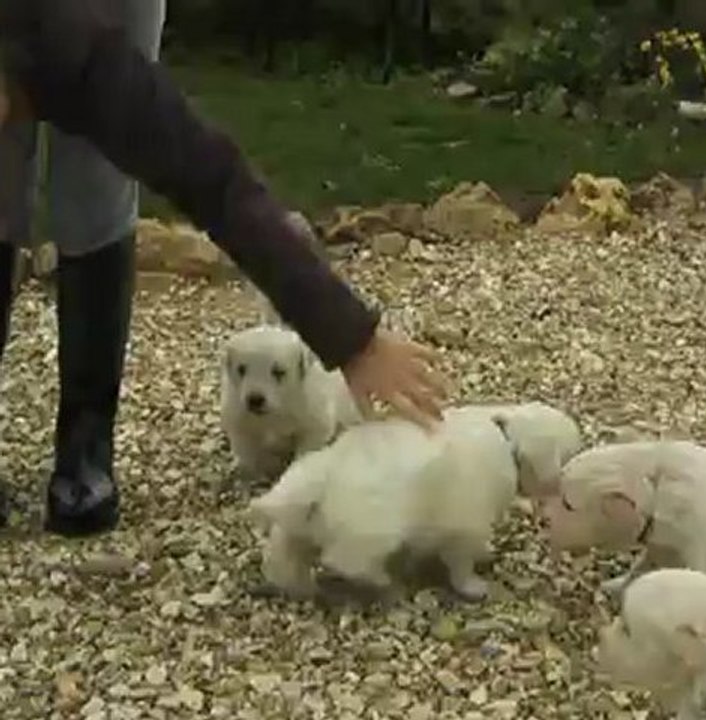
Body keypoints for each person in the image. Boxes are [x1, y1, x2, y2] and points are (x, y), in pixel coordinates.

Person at [0, 0, 449, 536]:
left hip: (79, 21)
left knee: (95, 192)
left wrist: (353, 339)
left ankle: (85, 447)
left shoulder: (83, 57)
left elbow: (216, 183)